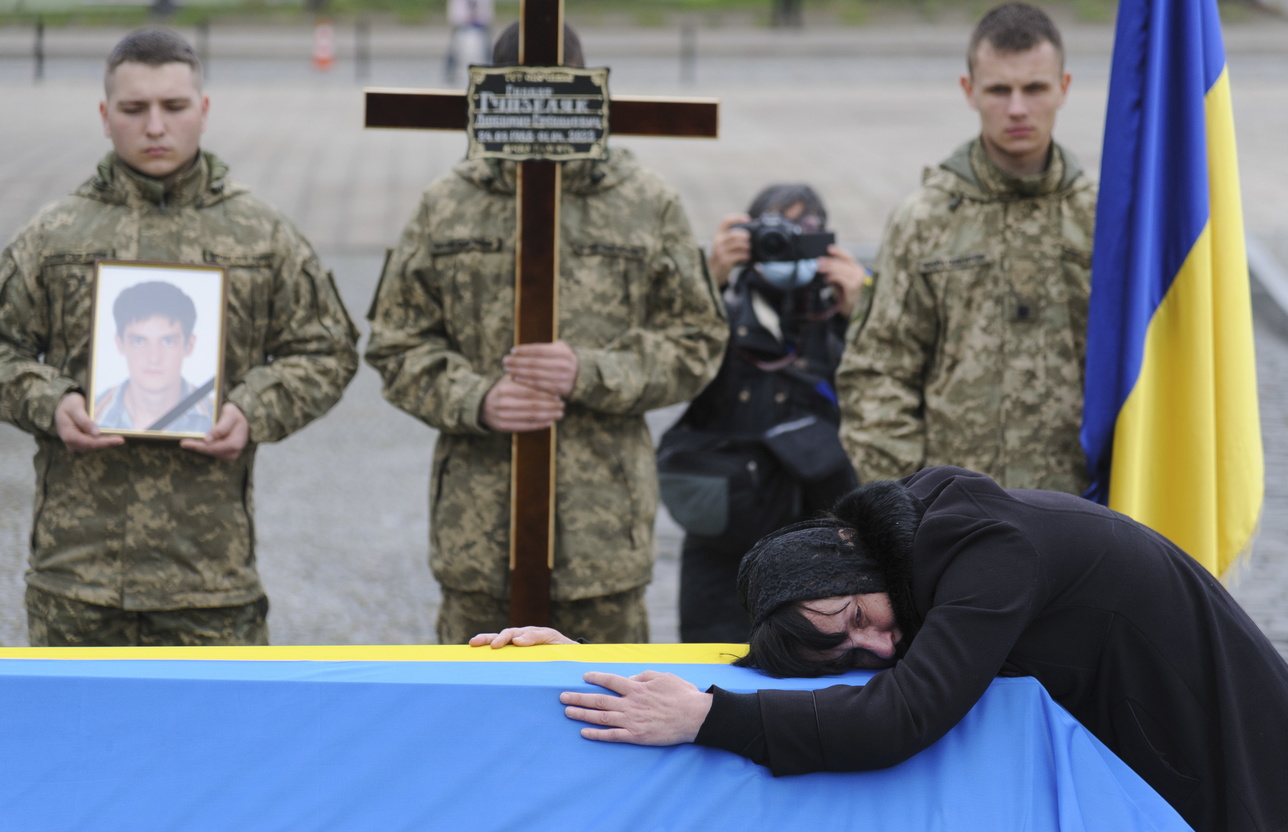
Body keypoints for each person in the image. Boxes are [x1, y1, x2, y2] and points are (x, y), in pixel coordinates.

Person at [483, 466, 1288, 832]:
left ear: (855, 556)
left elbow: (901, 719)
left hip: (1231, 742)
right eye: (851, 647)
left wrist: (704, 722)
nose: (881, 642)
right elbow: (777, 679)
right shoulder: (905, 564)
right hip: (1145, 745)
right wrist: (585, 661)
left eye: (857, 612)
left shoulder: (986, 549)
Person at [364, 22, 728, 645]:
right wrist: (477, 397)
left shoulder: (645, 202)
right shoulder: (447, 203)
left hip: (601, 537)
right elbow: (395, 343)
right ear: (488, 99)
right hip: (479, 531)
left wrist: (589, 372)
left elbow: (698, 338)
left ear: (592, 94)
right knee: (471, 723)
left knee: (609, 717)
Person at [0, 29, 359, 646]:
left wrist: (253, 409)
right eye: (135, 109)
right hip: (76, 574)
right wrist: (51, 402)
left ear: (205, 110)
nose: (156, 127)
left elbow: (327, 348)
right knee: (79, 742)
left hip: (211, 575)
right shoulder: (55, 234)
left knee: (222, 743)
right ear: (105, 116)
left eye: (175, 106)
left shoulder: (260, 234)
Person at [836, 2, 1095, 494]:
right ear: (969, 91)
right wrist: (914, 503)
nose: (1017, 108)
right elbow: (876, 374)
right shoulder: (925, 220)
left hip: (1085, 517)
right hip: (957, 521)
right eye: (999, 89)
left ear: (1063, 89)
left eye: (1034, 88)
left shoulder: (1104, 220)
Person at [658, 184, 865, 642]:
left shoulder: (845, 306)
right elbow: (664, 365)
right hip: (726, 533)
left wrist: (863, 312)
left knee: (815, 664)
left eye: (803, 231)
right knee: (712, 660)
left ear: (825, 243)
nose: (786, 245)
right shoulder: (719, 307)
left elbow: (889, 388)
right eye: (773, 231)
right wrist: (707, 282)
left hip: (820, 533)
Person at [93, 280, 215, 434]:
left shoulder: (219, 419)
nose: (154, 358)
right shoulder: (88, 416)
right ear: (120, 344)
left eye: (168, 341)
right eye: (139, 341)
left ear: (189, 345)